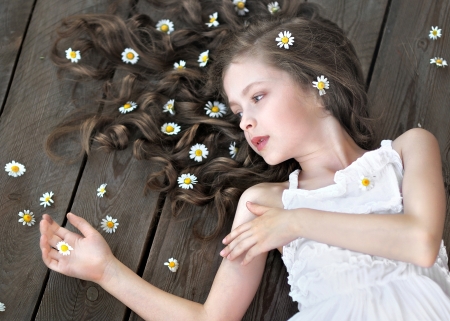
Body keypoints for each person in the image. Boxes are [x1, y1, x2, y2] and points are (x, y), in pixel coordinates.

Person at [40, 1, 450, 320]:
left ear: (317, 85)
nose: (247, 121)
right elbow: (211, 318)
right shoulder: (263, 203)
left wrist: (297, 222)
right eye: (238, 112)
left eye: (257, 97)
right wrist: (105, 270)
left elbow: (419, 243)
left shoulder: (408, 150)